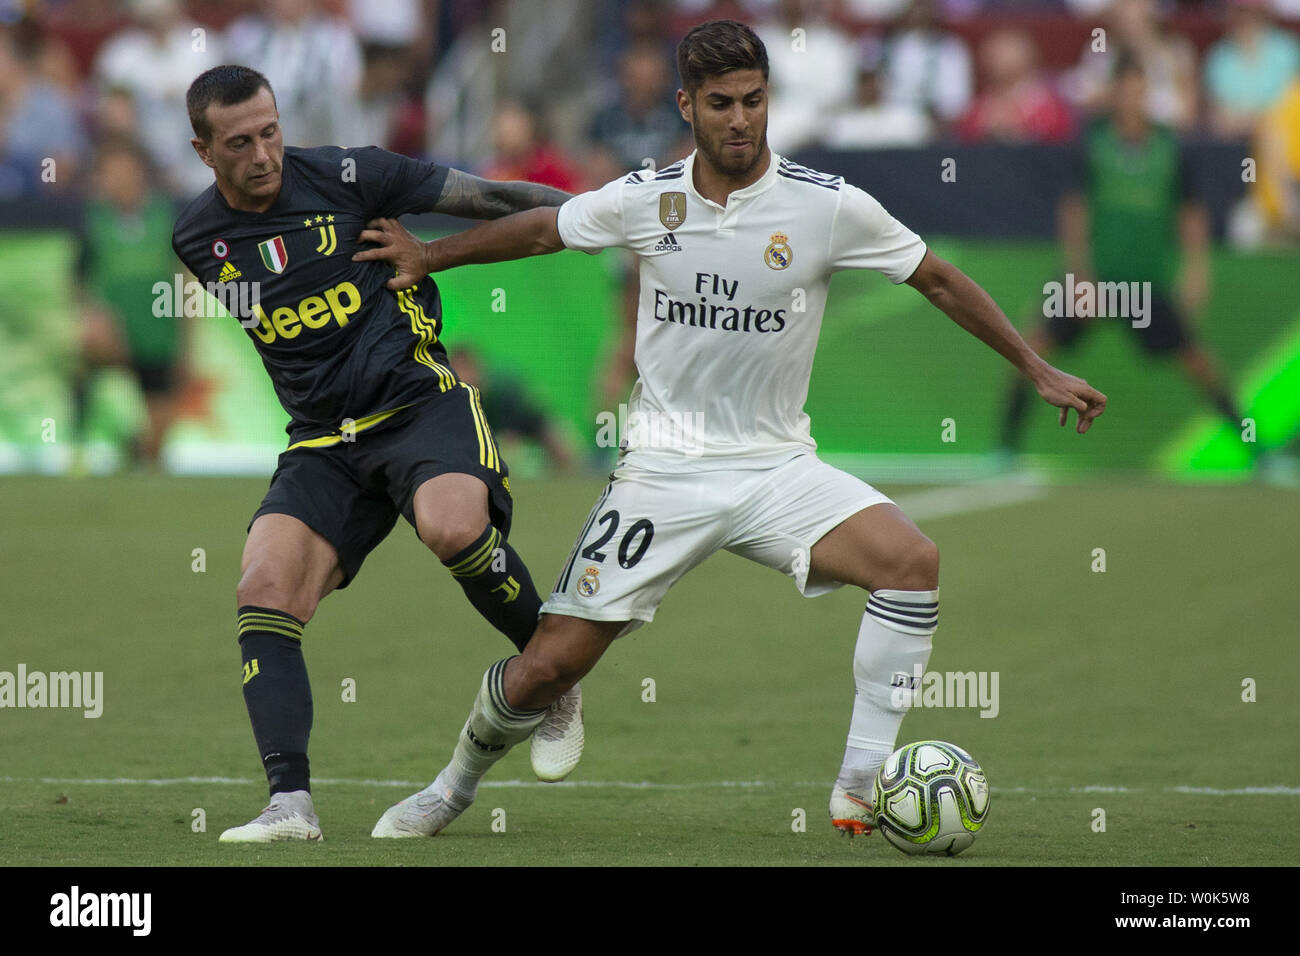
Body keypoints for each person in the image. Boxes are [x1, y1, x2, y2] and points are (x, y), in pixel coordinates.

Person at [353, 19, 1105, 840]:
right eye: (721, 103)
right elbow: (542, 229)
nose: (741, 119)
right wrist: (432, 256)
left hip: (778, 466)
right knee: (549, 665)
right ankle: (451, 787)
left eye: (753, 100)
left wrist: (1038, 368)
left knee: (912, 562)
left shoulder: (826, 207)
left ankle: (857, 785)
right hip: (665, 470)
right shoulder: (649, 198)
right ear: (687, 105)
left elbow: (939, 280)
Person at [170, 64, 585, 843]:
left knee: (453, 528)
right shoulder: (197, 238)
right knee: (262, 585)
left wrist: (606, 214)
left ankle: (551, 677)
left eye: (270, 131)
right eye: (239, 143)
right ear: (202, 151)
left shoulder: (352, 175)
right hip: (324, 440)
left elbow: (489, 198)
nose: (263, 154)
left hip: (419, 405)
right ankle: (289, 806)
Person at [1000, 56, 1243, 459]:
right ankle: (1005, 448)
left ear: (1148, 93)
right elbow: (1074, 209)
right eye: (1126, 90)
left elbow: (1190, 211)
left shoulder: (1170, 146)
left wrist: (1197, 268)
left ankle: (1253, 446)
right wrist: (1078, 275)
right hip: (1096, 279)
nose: (1133, 98)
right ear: (1115, 93)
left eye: (1140, 89)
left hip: (1145, 285)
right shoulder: (1093, 142)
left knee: (1197, 362)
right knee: (1032, 347)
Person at [74, 138, 188, 470]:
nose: (115, 179)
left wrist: (186, 342)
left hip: (158, 338)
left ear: (139, 173)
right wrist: (95, 315)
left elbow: (184, 281)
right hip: (113, 340)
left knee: (156, 446)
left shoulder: (166, 217)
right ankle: (85, 440)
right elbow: (78, 283)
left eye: (122, 171)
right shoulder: (93, 221)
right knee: (87, 347)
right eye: (108, 172)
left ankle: (134, 445)